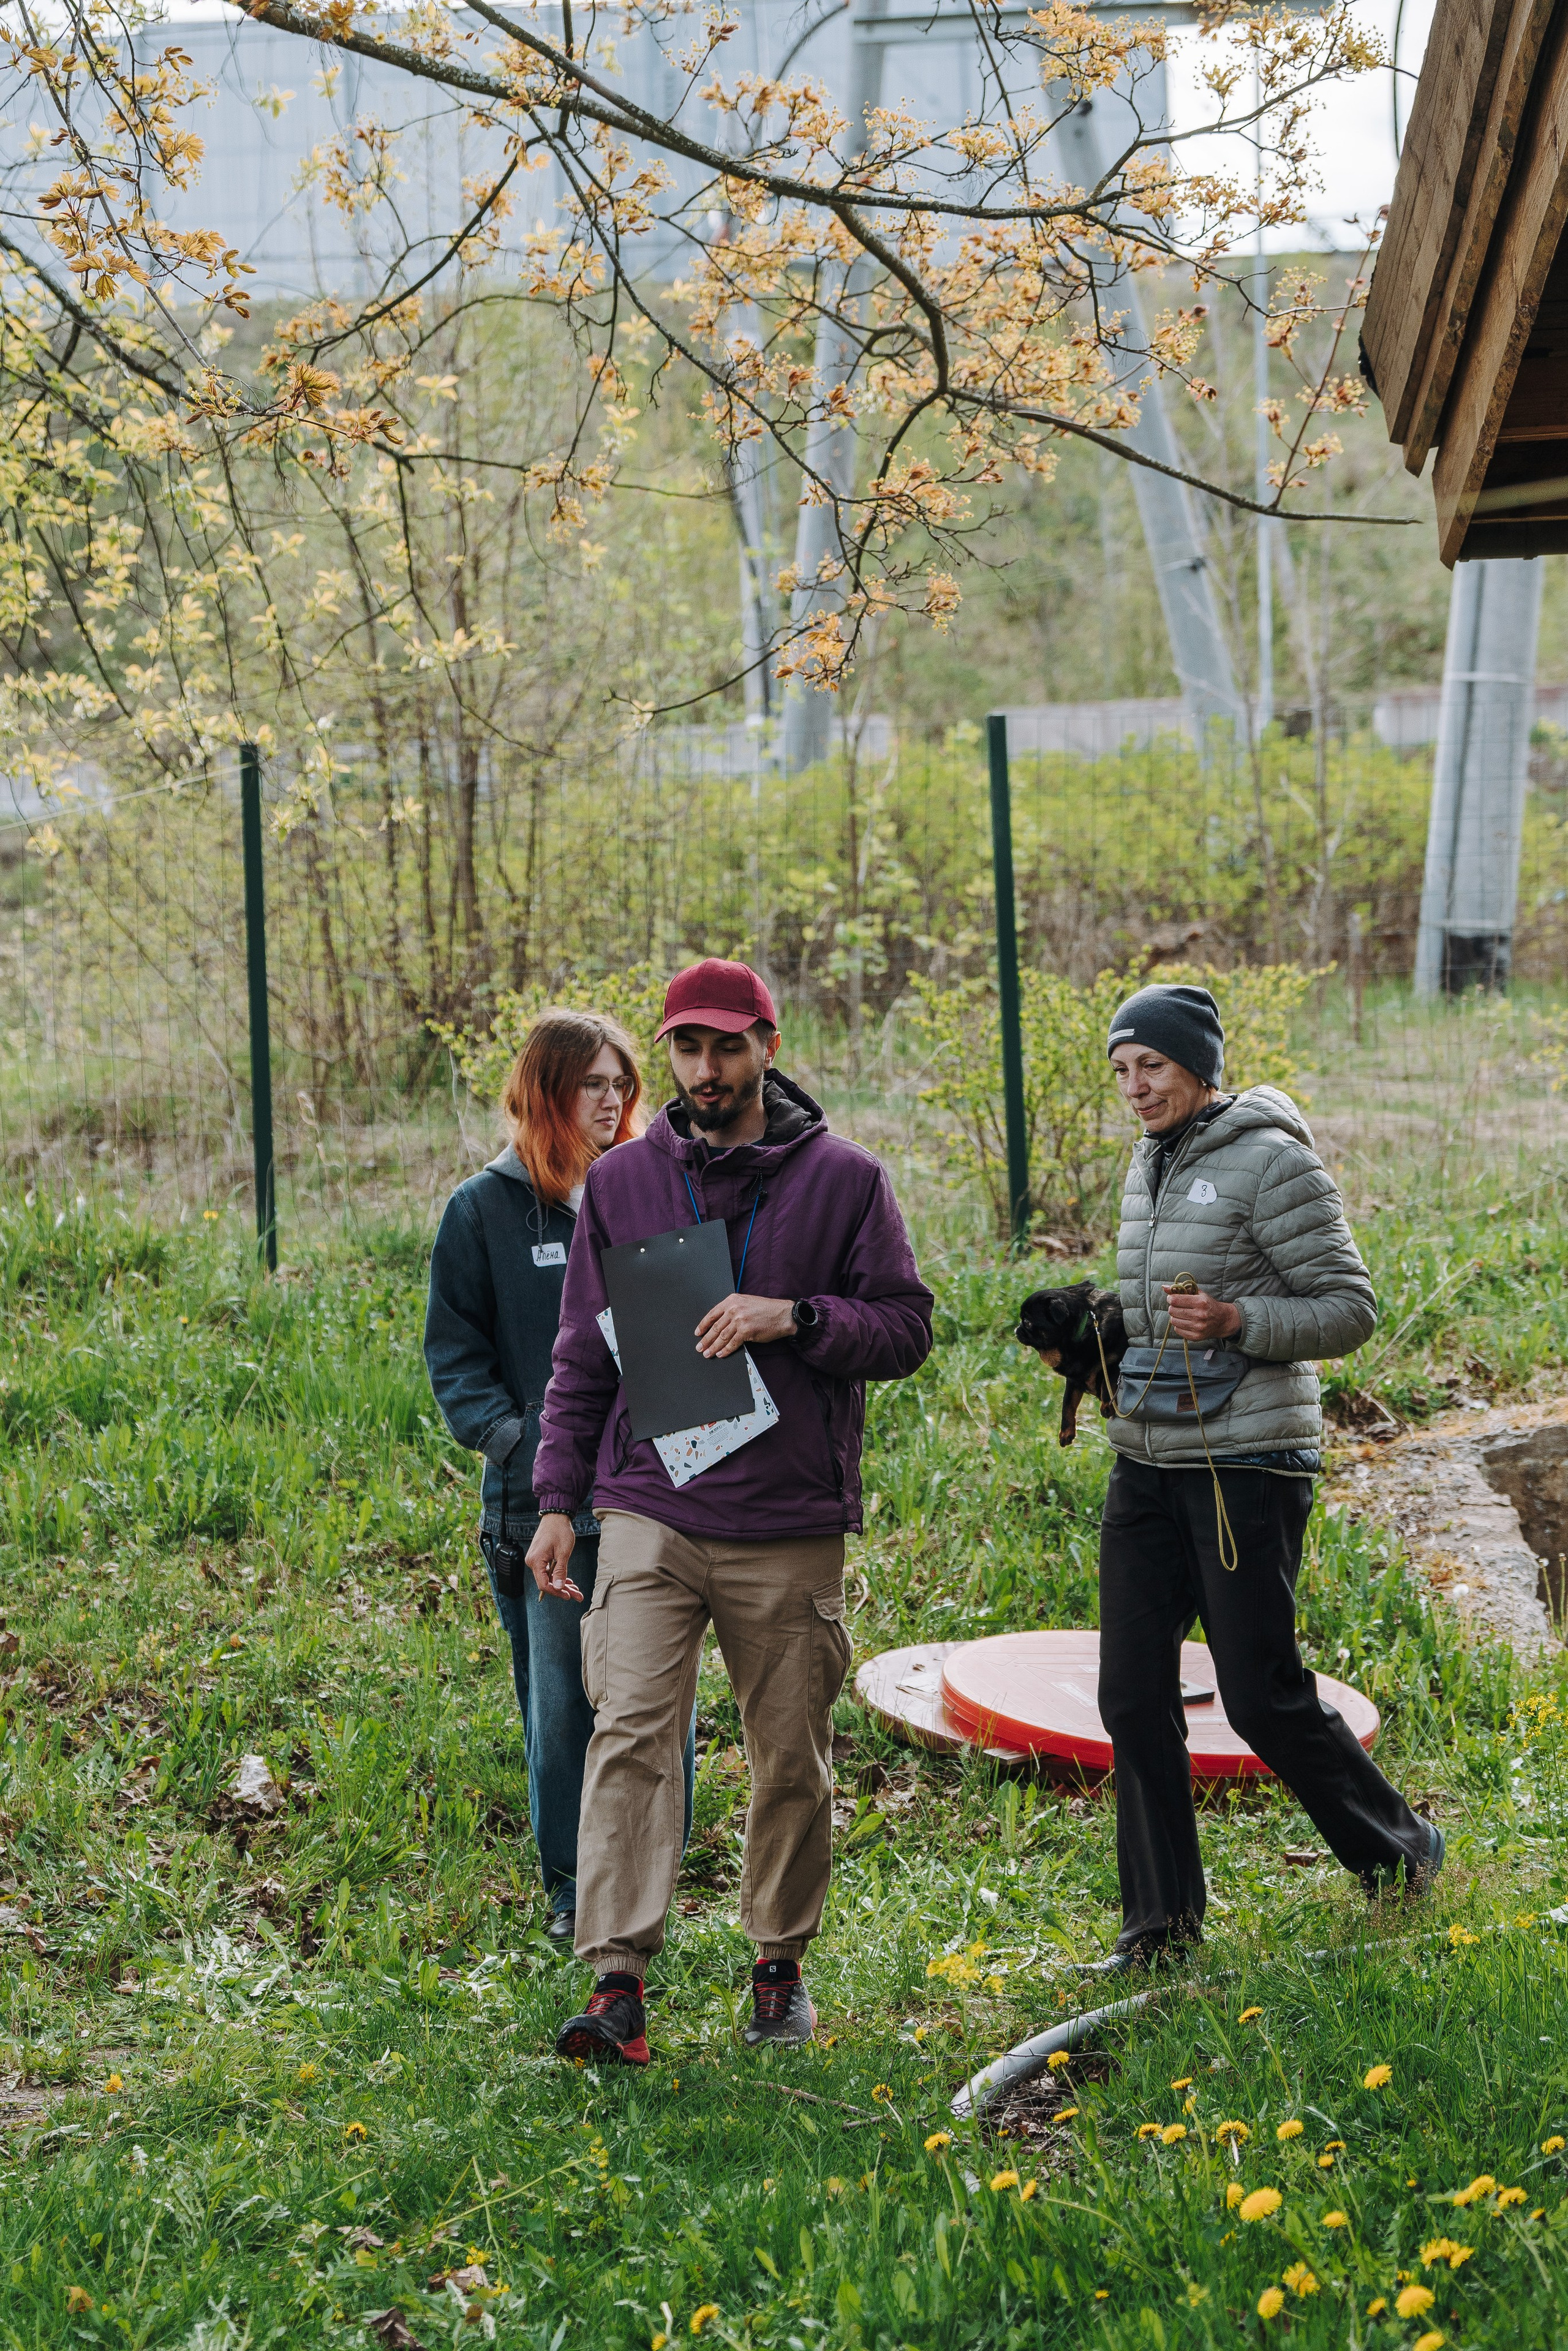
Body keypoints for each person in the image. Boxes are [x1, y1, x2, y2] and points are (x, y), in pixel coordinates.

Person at [527, 957, 934, 2066]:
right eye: (687, 1048)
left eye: (727, 1046)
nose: (706, 1069)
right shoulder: (623, 1184)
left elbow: (906, 1328)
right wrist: (558, 1499)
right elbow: (581, 1354)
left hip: (787, 1514)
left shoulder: (846, 1180)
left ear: (768, 1042)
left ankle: (777, 1969)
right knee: (632, 1734)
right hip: (650, 1501)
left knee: (788, 1754)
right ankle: (618, 1984)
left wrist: (794, 1316)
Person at [1088, 981, 1440, 1977]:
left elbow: (1349, 1307)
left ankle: (1403, 1851)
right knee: (1130, 1691)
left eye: (1150, 1065)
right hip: (1147, 1458)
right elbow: (1158, 1308)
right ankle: (1159, 1930)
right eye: (1122, 1070)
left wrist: (1242, 1318)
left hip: (1246, 1464)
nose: (1135, 1087)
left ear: (1200, 1065)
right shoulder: (1148, 1159)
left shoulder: (1272, 1159)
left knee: (1260, 1692)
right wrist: (1100, 1333)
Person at [424, 1009, 696, 1946]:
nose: (613, 1099)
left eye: (622, 1082)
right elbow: (455, 1359)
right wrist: (521, 1443)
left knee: (656, 1700)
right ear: (545, 1094)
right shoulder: (484, 1209)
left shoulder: (653, 1195)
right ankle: (576, 1890)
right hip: (544, 1511)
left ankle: (655, 1877)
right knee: (564, 1709)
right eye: (592, 1084)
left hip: (657, 1498)